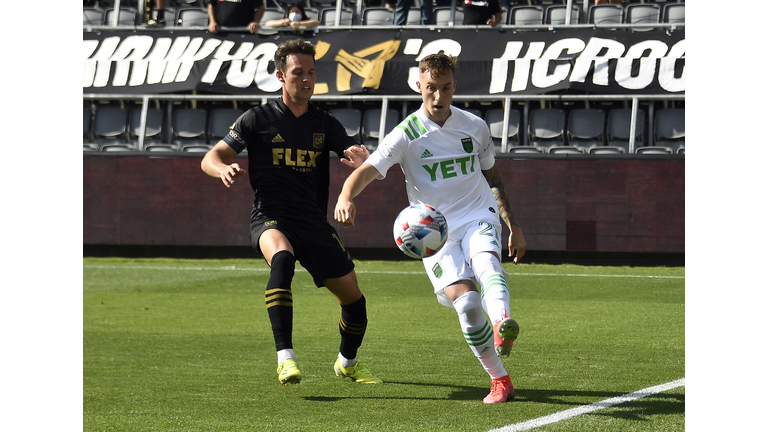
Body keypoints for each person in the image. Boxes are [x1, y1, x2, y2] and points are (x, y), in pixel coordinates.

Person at [333, 53, 526, 404]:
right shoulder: (406, 134)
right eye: (431, 89)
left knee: (486, 262)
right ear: (419, 86)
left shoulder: (475, 126)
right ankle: (501, 379)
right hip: (433, 232)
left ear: (455, 86)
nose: (438, 97)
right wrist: (346, 194)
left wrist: (512, 225)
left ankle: (502, 322)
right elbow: (369, 170)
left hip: (477, 213)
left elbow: (492, 176)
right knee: (467, 304)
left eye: (446, 88)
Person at [200, 39, 381, 386]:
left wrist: (363, 162)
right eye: (299, 73)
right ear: (281, 76)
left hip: (313, 222)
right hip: (269, 216)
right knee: (281, 258)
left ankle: (348, 362)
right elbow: (211, 157)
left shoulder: (325, 124)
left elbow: (361, 158)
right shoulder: (257, 118)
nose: (307, 79)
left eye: (312, 72)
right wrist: (222, 169)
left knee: (355, 302)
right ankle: (286, 359)